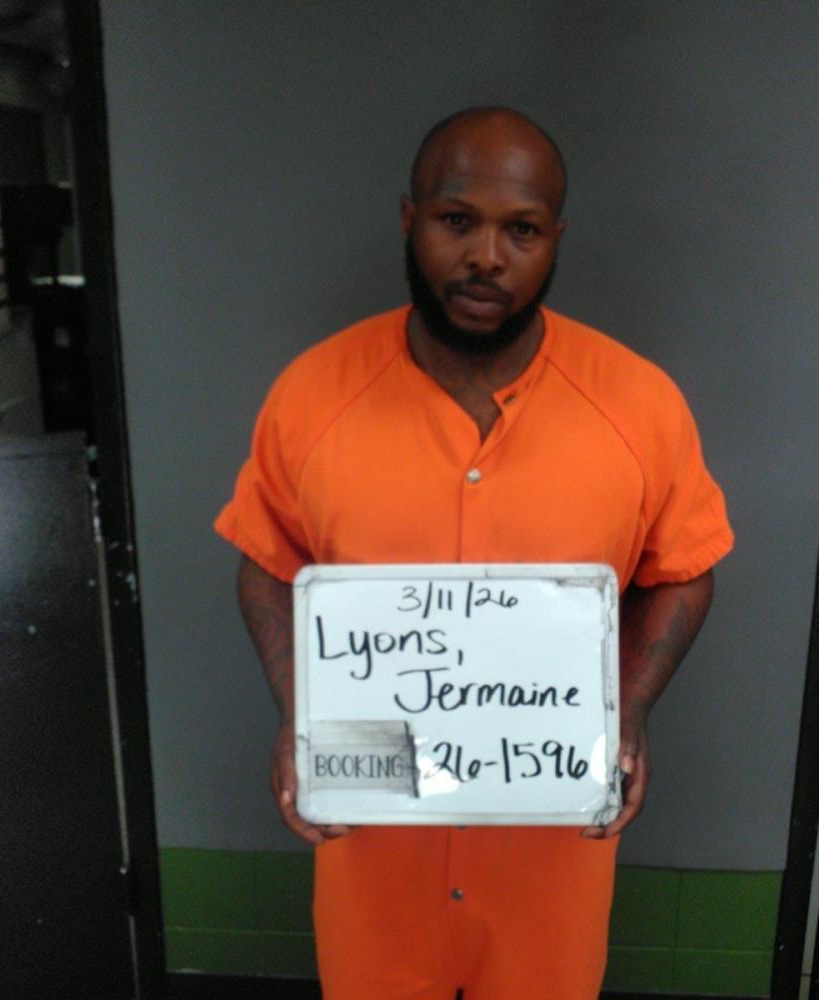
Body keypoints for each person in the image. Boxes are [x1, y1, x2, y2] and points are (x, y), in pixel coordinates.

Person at [215, 106, 733, 1000]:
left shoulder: (639, 404)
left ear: (555, 238)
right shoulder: (313, 394)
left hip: (550, 835)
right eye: (457, 220)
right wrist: (301, 708)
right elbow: (265, 558)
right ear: (410, 220)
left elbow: (684, 570)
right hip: (376, 831)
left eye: (521, 230)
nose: (487, 256)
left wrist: (628, 707)